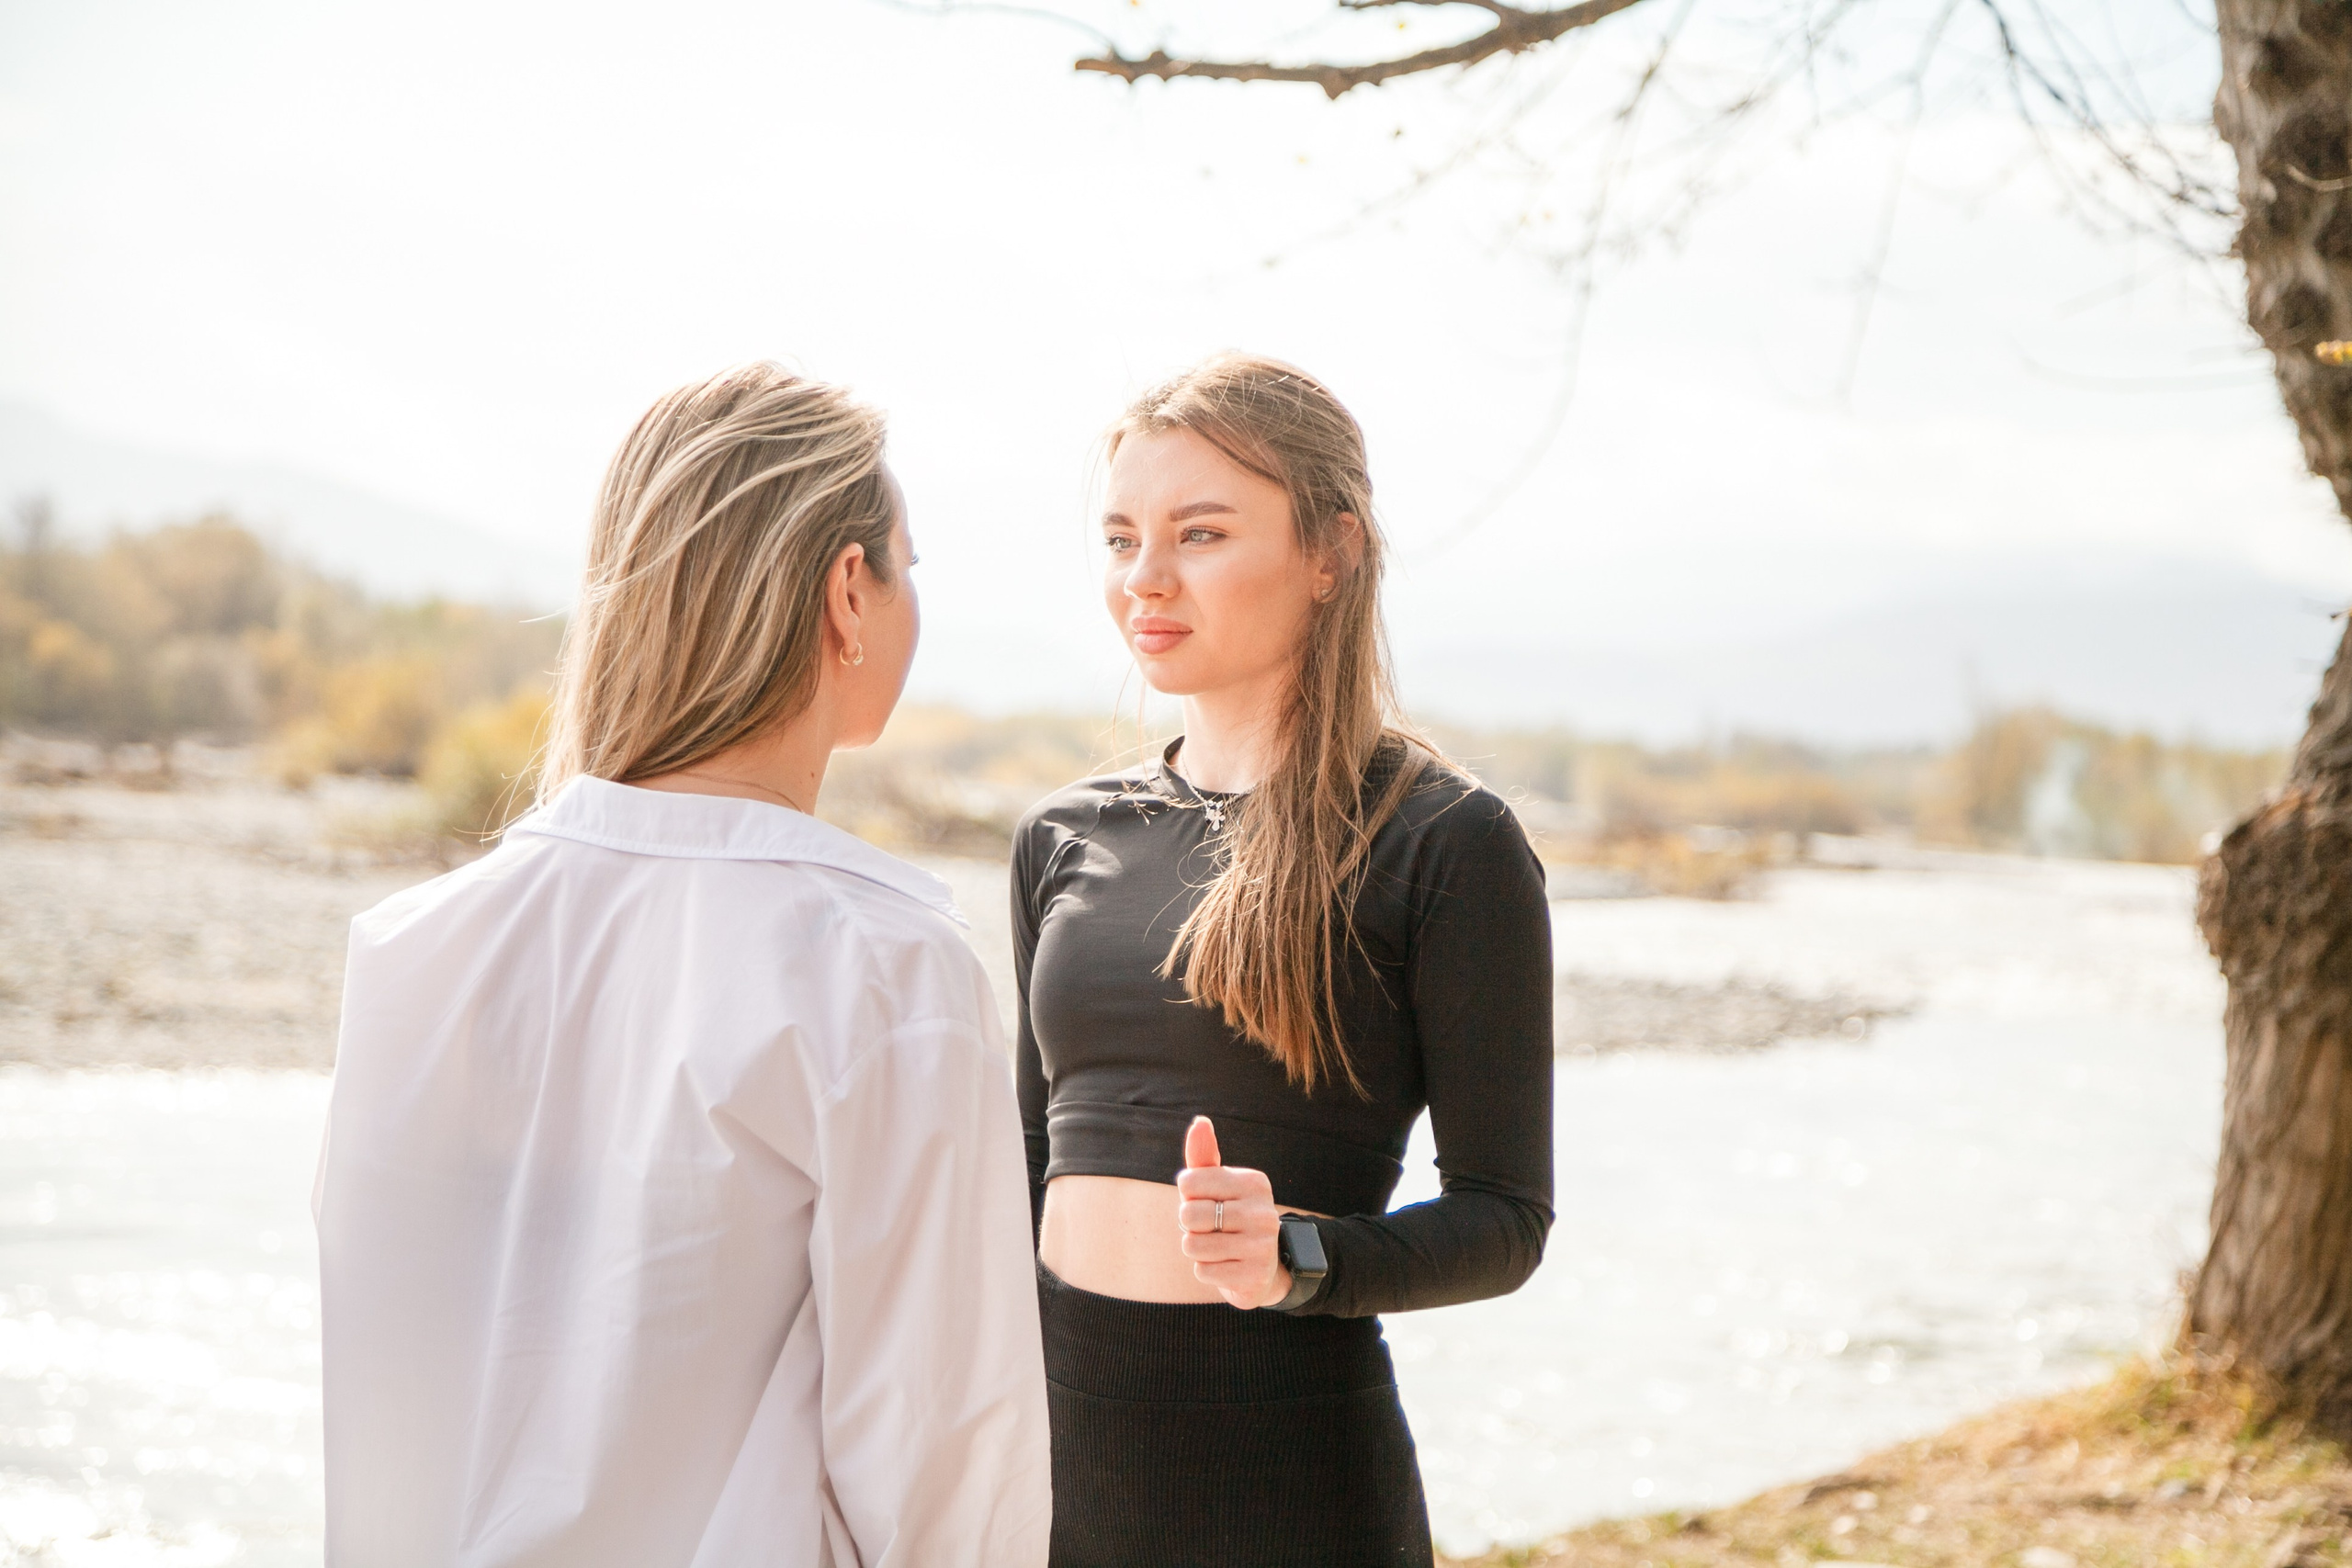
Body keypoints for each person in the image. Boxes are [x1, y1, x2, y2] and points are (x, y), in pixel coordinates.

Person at [316, 365, 1050, 1567]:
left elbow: (388, 1412)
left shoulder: (413, 949)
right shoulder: (885, 967)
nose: (915, 598)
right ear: (846, 593)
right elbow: (943, 1476)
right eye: (907, 563)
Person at [1013, 353, 1556, 1566]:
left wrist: (1298, 1254)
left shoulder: (1444, 840)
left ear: (1332, 553)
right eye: (1119, 539)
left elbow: (1506, 1221)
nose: (1144, 579)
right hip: (1052, 1472)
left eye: (1198, 534)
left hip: (1292, 1488)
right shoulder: (1061, 834)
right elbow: (1027, 1166)